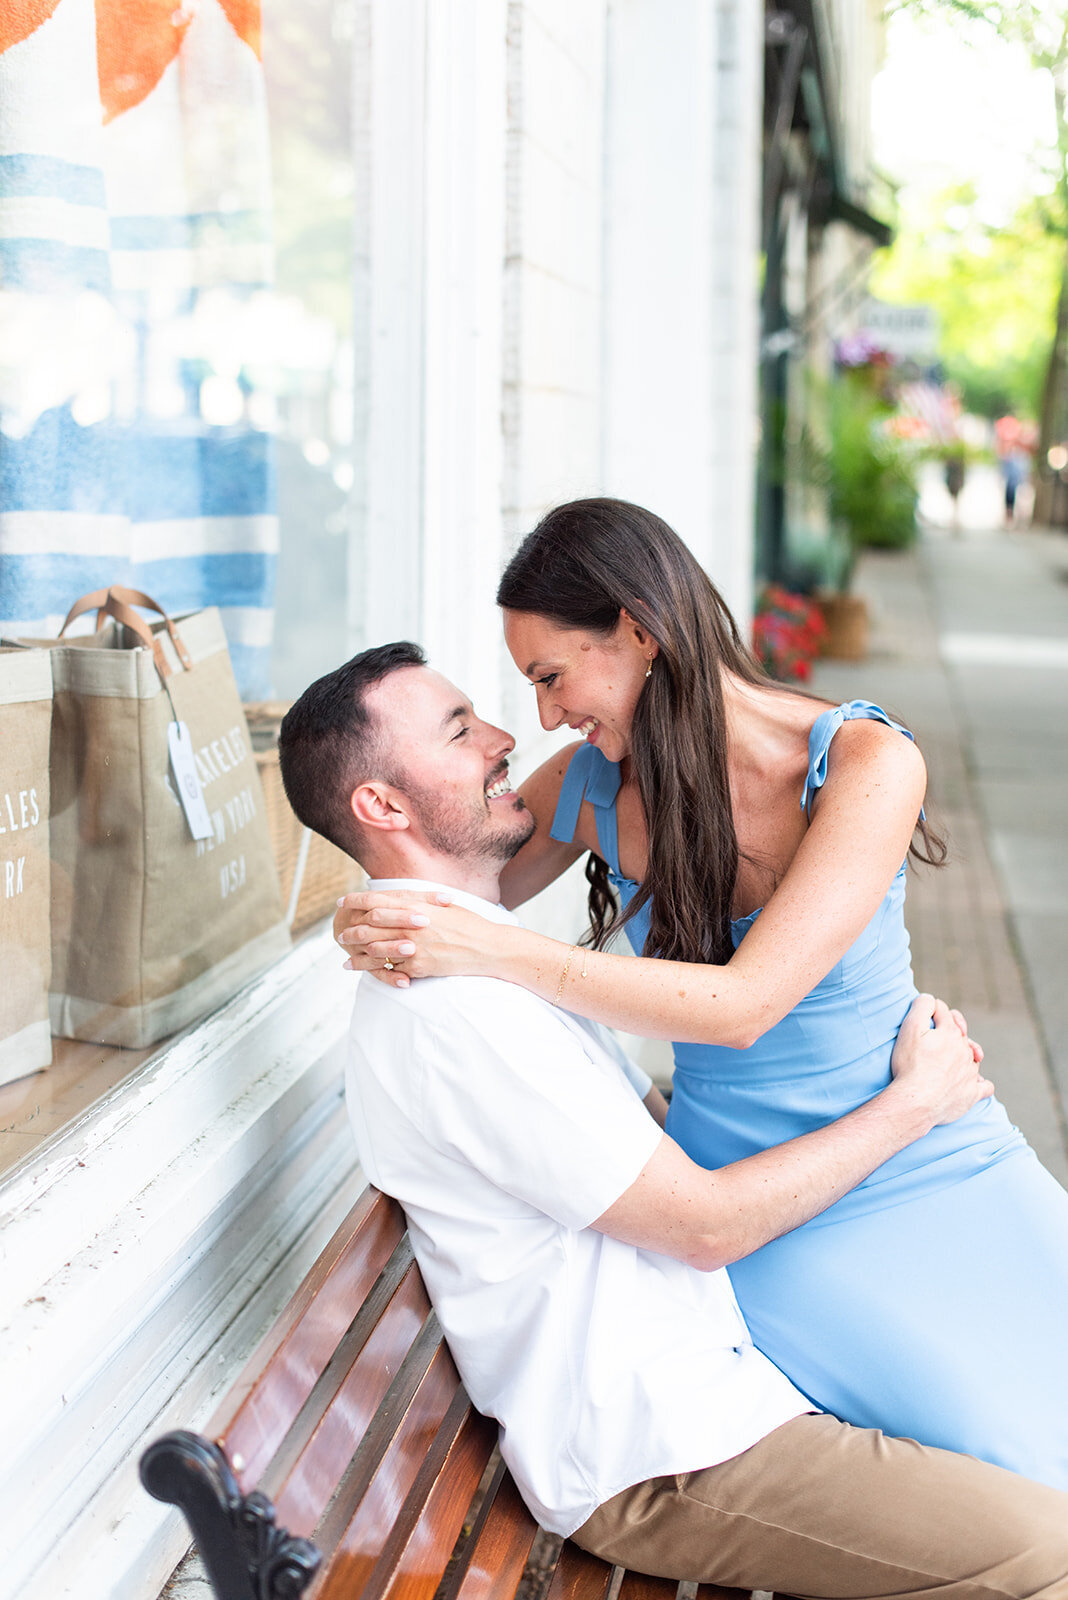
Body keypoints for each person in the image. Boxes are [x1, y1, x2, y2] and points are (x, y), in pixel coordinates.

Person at [277, 641, 1068, 1596]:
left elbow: (644, 1136)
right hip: (665, 1451)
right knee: (1045, 1550)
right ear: (383, 806)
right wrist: (913, 1102)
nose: (507, 737)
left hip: (718, 1379)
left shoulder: (481, 972)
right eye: (461, 728)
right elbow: (705, 1224)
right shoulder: (458, 1013)